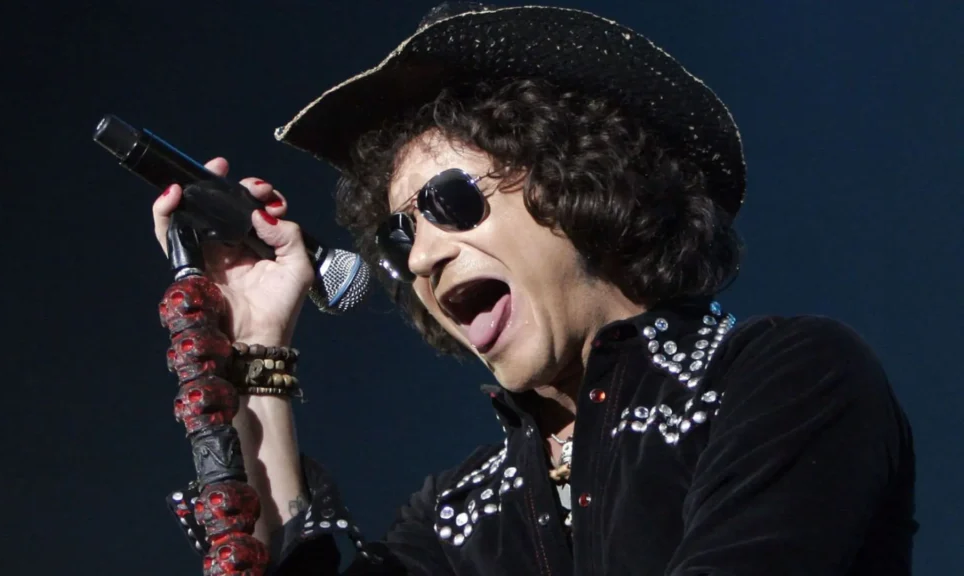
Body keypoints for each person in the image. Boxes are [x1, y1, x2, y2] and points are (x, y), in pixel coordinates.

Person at [152, 3, 917, 575]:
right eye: (400, 235)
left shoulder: (784, 376)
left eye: (450, 201)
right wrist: (256, 342)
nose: (422, 258)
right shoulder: (458, 513)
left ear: (576, 183)